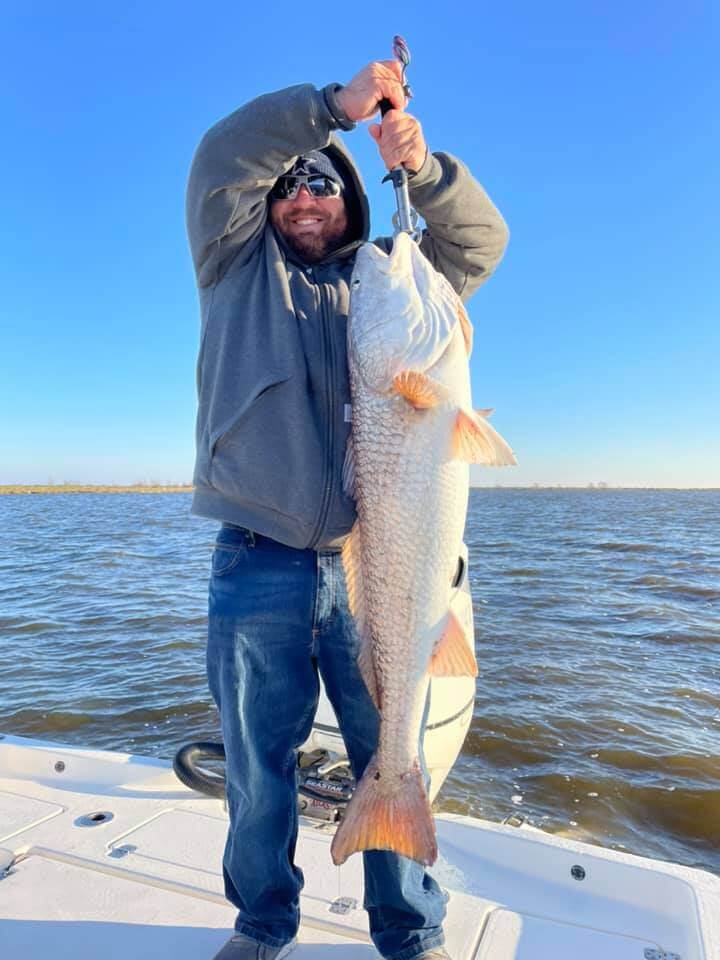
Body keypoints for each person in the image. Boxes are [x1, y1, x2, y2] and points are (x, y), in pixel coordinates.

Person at [185, 59, 509, 960]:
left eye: (322, 183)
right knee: (256, 762)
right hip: (258, 558)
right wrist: (330, 109)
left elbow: (481, 240)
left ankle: (409, 928)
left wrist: (424, 170)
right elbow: (222, 157)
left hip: (377, 566)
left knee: (389, 742)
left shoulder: (397, 283)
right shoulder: (234, 266)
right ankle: (262, 922)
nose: (302, 197)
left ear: (354, 202)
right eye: (287, 185)